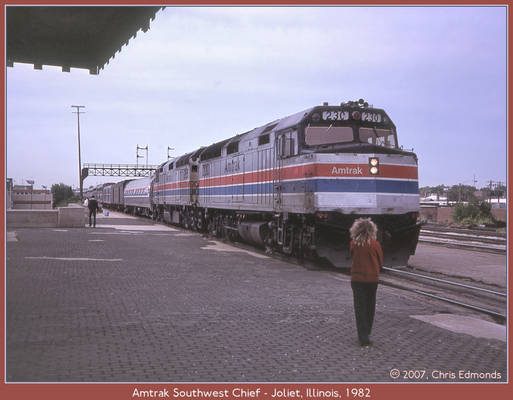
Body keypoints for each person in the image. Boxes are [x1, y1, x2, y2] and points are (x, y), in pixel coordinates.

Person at [349, 217, 383, 347]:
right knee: (370, 306)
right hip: (372, 279)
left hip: (357, 280)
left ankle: (362, 336)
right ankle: (367, 333)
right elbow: (380, 261)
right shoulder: (376, 245)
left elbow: (352, 256)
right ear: (372, 230)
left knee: (359, 307)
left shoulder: (353, 244)